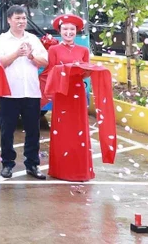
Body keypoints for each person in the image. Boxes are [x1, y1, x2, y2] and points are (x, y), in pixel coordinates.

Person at [0, 5, 48, 180]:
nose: (21, 21)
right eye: (17, 18)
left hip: (31, 92)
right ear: (9, 20)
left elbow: (45, 61)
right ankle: (7, 164)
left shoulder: (33, 39)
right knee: (7, 131)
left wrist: (31, 56)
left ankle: (32, 164)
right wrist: (16, 54)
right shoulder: (1, 40)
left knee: (33, 131)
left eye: (24, 18)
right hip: (9, 92)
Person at [45, 14, 97, 181]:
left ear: (77, 31)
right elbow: (51, 72)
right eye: (65, 29)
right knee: (62, 129)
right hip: (62, 93)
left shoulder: (83, 50)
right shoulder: (53, 50)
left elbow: (85, 74)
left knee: (79, 129)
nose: (69, 32)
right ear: (60, 31)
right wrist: (67, 68)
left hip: (77, 92)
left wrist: (87, 70)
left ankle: (80, 170)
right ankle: (61, 170)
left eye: (72, 29)